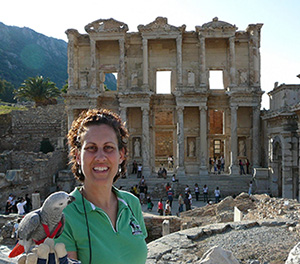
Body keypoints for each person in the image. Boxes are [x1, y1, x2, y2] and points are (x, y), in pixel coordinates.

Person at [55, 109, 148, 264]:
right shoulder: (63, 215)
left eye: (108, 147)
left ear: (121, 155)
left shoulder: (132, 203)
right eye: (91, 148)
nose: (100, 157)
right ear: (77, 156)